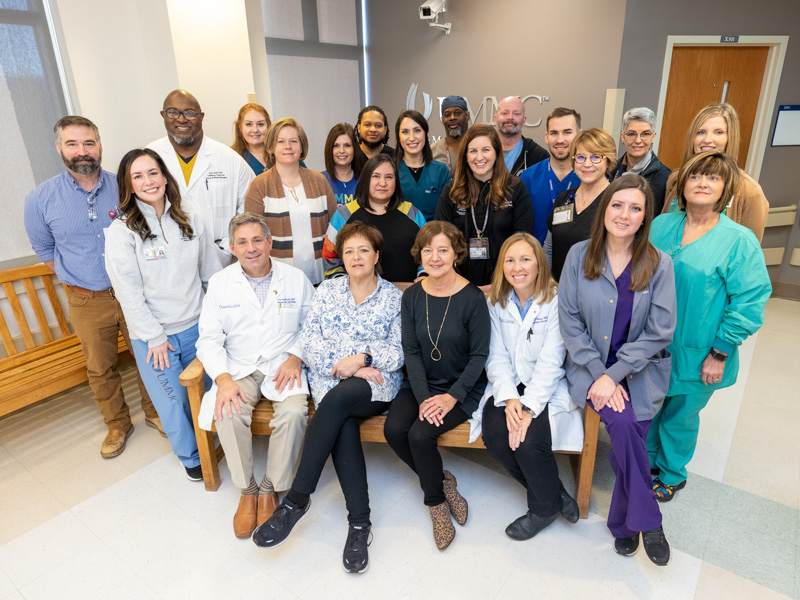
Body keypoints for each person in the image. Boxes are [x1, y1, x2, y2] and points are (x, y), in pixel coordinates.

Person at [253, 222, 404, 574]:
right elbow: (310, 341)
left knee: (339, 402)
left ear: (377, 256)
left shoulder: (394, 298)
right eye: (349, 251)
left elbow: (397, 351)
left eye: (363, 250)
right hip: (330, 379)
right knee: (342, 422)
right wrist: (345, 365)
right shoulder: (327, 291)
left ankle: (295, 501)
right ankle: (359, 525)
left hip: (376, 384)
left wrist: (362, 360)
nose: (356, 257)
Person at [23, 116, 160, 459]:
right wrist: (79, 280)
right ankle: (117, 424)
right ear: (59, 149)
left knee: (148, 357)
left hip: (134, 294)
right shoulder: (40, 199)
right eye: (72, 144)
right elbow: (45, 250)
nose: (82, 151)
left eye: (88, 143)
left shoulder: (125, 186)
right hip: (87, 300)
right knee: (100, 367)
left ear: (100, 146)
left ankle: (157, 413)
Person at [559, 175, 676, 566]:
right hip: (589, 368)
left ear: (646, 217)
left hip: (640, 373)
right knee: (627, 429)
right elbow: (570, 323)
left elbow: (661, 330)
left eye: (635, 208)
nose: (624, 214)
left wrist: (617, 373)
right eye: (617, 205)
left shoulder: (660, 264)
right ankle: (648, 520)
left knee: (630, 433)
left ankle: (625, 525)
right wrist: (600, 373)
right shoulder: (579, 255)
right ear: (604, 209)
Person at [648, 151, 771, 501]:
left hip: (701, 350)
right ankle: (648, 463)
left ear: (725, 188)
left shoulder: (738, 241)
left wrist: (720, 351)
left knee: (681, 415)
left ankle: (671, 472)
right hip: (653, 345)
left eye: (713, 178)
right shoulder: (661, 226)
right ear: (682, 185)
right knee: (652, 407)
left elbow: (749, 302)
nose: (702, 183)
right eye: (695, 176)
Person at [195, 213, 315, 539]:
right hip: (238, 367)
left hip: (282, 365)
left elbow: (313, 326)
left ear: (270, 242)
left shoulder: (295, 279)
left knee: (293, 413)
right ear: (233, 248)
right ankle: (248, 490)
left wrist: (296, 357)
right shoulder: (220, 284)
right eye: (243, 242)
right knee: (228, 410)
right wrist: (222, 379)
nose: (252, 249)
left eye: (257, 240)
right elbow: (208, 338)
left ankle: (270, 487)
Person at [104, 149, 222, 480]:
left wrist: (215, 323)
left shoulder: (189, 219)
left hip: (198, 327)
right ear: (128, 185)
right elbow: (128, 292)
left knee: (209, 392)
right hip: (156, 338)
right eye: (137, 176)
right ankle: (191, 458)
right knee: (174, 404)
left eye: (153, 172)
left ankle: (217, 441)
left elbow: (210, 274)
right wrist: (154, 338)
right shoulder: (122, 231)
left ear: (165, 176)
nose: (148, 181)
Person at [384, 221, 490, 551]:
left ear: (457, 253)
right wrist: (424, 396)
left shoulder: (473, 298)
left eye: (443, 249)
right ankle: (444, 482)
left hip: (462, 387)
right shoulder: (412, 296)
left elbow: (479, 357)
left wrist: (450, 398)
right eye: (428, 250)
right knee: (393, 429)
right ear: (419, 254)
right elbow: (412, 351)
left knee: (419, 434)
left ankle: (435, 505)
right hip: (421, 383)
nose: (435, 256)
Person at [473, 232, 583, 541]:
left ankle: (542, 509)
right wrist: (509, 400)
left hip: (545, 385)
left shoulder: (557, 300)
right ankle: (554, 493)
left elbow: (552, 361)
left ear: (539, 264)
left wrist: (528, 406)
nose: (517, 267)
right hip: (509, 384)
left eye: (525, 259)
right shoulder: (496, 301)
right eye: (510, 260)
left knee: (529, 439)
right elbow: (494, 356)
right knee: (495, 433)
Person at [147, 89, 254, 265]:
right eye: (173, 112)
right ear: (163, 115)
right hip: (169, 262)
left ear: (201, 116)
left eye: (189, 113)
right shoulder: (149, 157)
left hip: (222, 259)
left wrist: (229, 246)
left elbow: (249, 207)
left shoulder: (229, 159)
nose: (181, 119)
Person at [435, 124, 534, 290]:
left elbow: (523, 240)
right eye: (473, 151)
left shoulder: (515, 188)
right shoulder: (451, 191)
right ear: (465, 155)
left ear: (496, 152)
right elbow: (440, 239)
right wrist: (458, 282)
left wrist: (500, 283)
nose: (479, 157)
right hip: (456, 286)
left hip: (505, 286)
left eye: (486, 150)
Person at [244, 117, 337, 285]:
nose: (288, 146)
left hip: (320, 275)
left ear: (302, 147)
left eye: (293, 141)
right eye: (281, 141)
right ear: (272, 147)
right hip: (278, 279)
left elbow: (335, 226)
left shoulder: (319, 181)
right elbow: (252, 236)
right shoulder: (259, 185)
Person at [661, 103, 769, 241]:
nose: (707, 140)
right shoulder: (676, 179)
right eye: (701, 132)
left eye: (718, 132)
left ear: (730, 138)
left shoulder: (749, 191)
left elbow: (748, 252)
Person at [323, 154, 426, 282]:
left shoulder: (412, 213)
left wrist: (423, 275)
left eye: (389, 177)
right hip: (356, 297)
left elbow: (429, 251)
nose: (382, 183)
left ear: (396, 181)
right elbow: (330, 257)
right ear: (366, 180)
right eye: (376, 176)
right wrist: (343, 286)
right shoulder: (343, 215)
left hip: (408, 295)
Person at [545, 128, 617, 282]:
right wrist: (549, 283)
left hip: (595, 295)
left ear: (608, 160)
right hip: (558, 291)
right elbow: (549, 249)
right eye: (580, 157)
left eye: (596, 157)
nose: (587, 164)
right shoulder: (563, 199)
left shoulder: (616, 203)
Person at [519, 107, 582, 244]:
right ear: (547, 137)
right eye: (554, 133)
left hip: (575, 262)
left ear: (579, 136)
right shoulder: (528, 178)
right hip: (536, 260)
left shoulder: (588, 177)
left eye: (567, 132)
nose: (560, 140)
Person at [611, 107, 671, 214]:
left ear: (653, 137)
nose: (638, 140)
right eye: (631, 134)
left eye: (645, 134)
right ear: (623, 137)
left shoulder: (663, 177)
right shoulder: (611, 169)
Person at [394, 109, 451, 221]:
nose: (411, 138)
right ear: (398, 137)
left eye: (417, 130)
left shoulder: (441, 171)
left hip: (433, 235)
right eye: (405, 132)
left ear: (425, 133)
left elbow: (447, 212)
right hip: (399, 235)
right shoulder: (390, 171)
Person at [493, 96, 549, 177]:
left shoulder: (539, 156)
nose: (510, 117)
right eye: (505, 113)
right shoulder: (481, 152)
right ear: (495, 119)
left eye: (516, 114)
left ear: (524, 121)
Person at [321, 123, 363, 206]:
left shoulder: (366, 180)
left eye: (347, 145)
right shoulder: (320, 180)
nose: (341, 151)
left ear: (354, 149)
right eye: (336, 146)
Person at [431, 95, 471, 175]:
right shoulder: (431, 151)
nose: (452, 118)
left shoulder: (478, 148)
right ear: (442, 120)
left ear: (468, 116)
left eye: (457, 113)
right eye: (447, 115)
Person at [231, 102, 272, 175]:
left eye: (260, 124)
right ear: (240, 127)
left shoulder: (282, 153)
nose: (255, 130)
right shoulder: (232, 157)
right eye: (249, 124)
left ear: (268, 126)